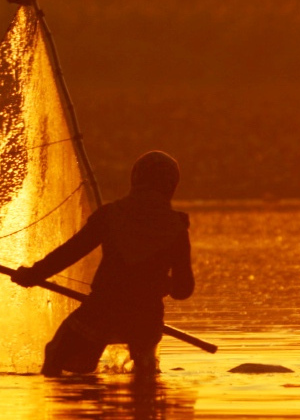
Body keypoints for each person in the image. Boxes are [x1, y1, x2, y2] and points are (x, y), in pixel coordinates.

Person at [13, 151, 194, 376]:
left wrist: (33, 274)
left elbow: (70, 252)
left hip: (100, 312)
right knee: (145, 377)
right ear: (170, 186)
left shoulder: (110, 215)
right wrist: (157, 284)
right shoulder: (176, 228)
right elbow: (183, 290)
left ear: (136, 180)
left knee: (57, 360)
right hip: (146, 320)